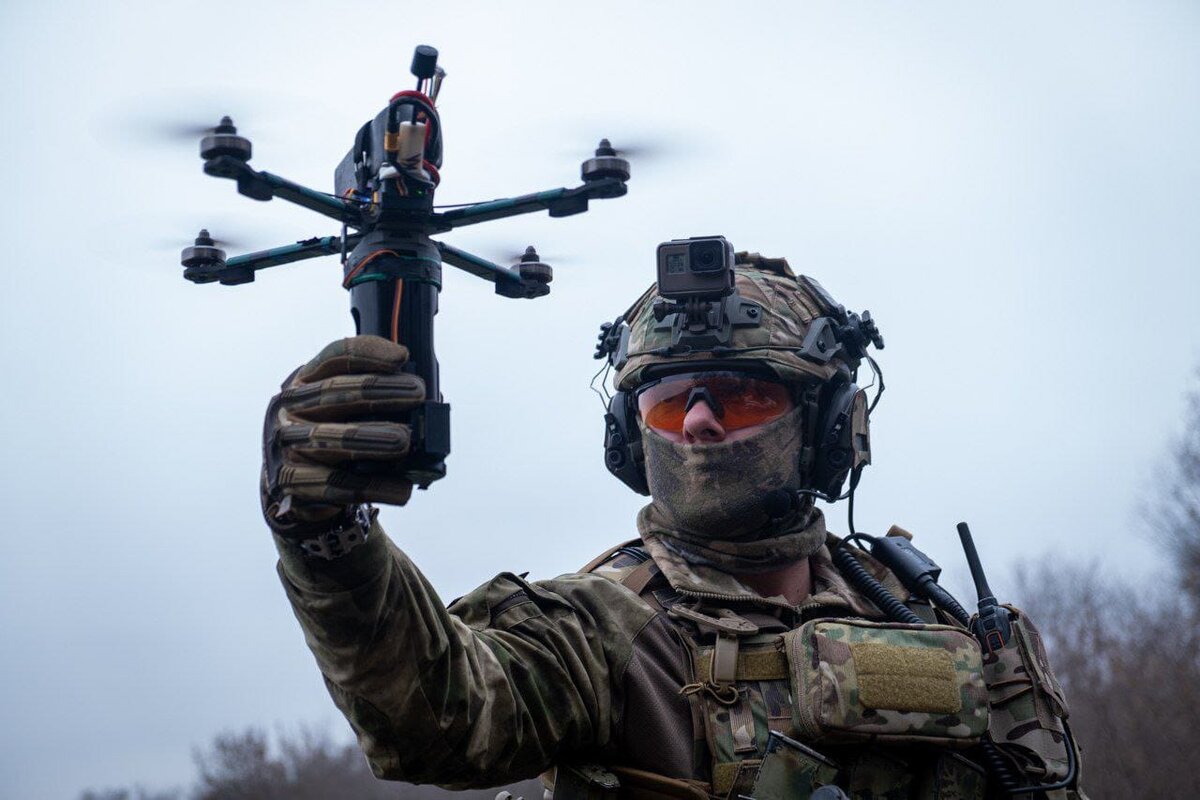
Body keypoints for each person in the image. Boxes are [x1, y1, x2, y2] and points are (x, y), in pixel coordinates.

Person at [261, 248, 1085, 799]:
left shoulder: (943, 623)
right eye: (663, 404)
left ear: (829, 425)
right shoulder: (600, 628)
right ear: (628, 439)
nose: (696, 425)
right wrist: (330, 538)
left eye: (739, 395)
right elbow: (434, 711)